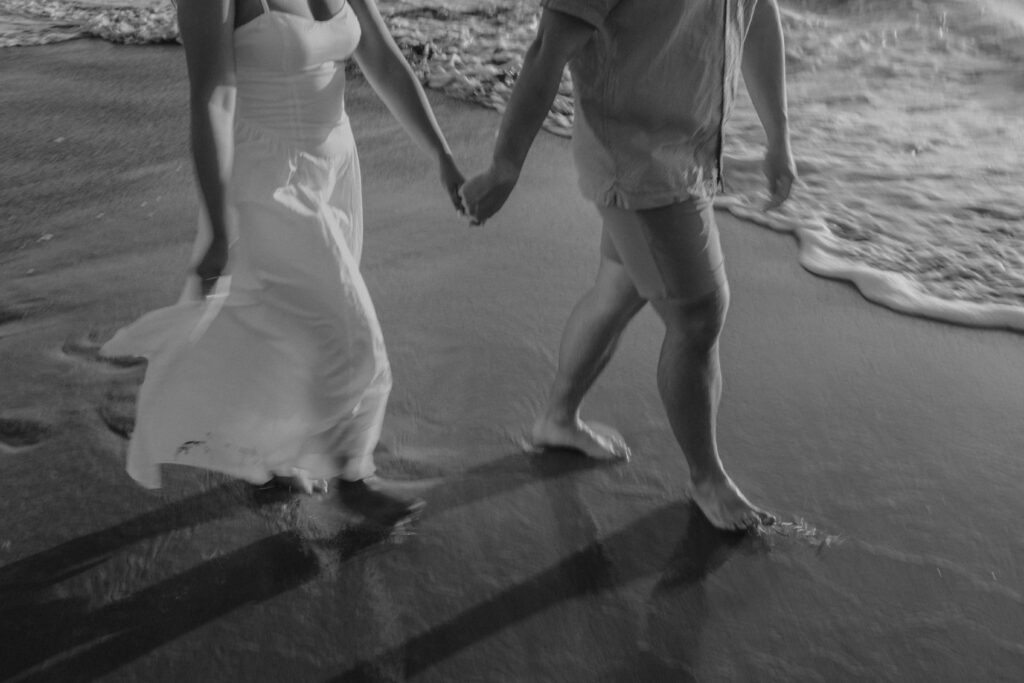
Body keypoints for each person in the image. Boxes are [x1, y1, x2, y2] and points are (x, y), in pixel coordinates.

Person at [101, 0, 464, 527]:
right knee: (346, 329)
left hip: (334, 167)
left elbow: (382, 60)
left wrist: (443, 157)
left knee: (286, 323)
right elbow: (212, 98)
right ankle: (353, 480)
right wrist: (220, 221)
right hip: (265, 178)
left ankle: (275, 452)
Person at [460, 0, 796, 531]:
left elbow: (758, 16)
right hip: (638, 160)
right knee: (699, 314)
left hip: (693, 146)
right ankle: (707, 479)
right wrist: (505, 167)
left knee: (621, 286)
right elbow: (548, 48)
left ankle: (557, 419)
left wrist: (778, 133)